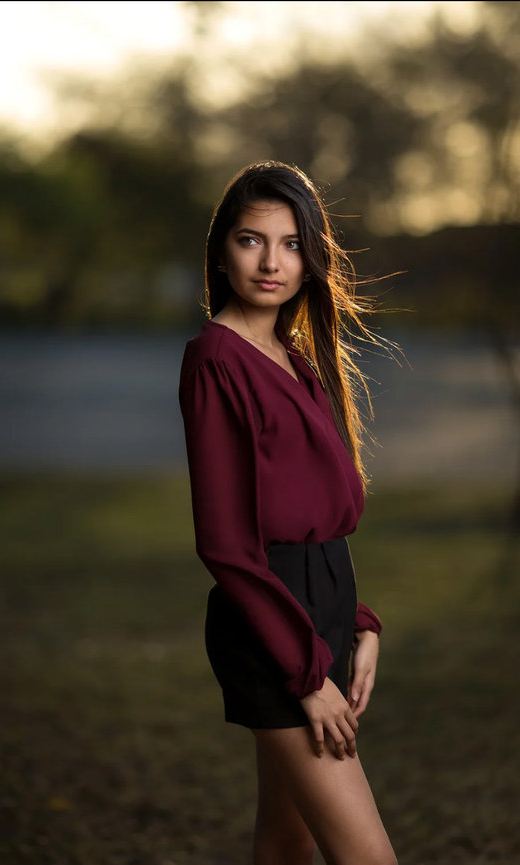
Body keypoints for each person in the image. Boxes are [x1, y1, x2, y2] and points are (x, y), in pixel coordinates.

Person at [178, 160, 397, 865]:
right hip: (273, 632)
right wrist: (306, 673)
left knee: (284, 841)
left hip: (323, 612)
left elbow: (323, 515)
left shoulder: (299, 358)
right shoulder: (215, 356)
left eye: (291, 242)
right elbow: (226, 543)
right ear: (220, 250)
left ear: (311, 256)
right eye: (250, 240)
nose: (271, 261)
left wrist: (357, 621)